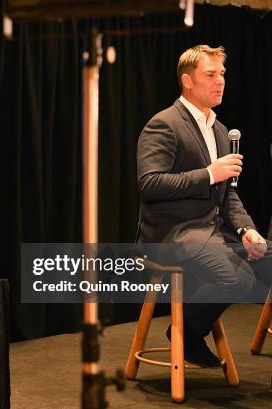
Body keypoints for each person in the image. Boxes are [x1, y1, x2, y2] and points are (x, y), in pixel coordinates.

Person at [137, 45, 272, 367]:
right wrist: (209, 173)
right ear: (187, 81)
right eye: (210, 75)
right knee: (237, 279)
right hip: (172, 234)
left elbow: (228, 195)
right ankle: (185, 333)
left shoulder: (220, 130)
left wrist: (246, 229)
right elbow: (150, 184)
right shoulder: (164, 124)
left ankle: (192, 331)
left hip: (214, 232)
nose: (220, 81)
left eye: (222, 74)